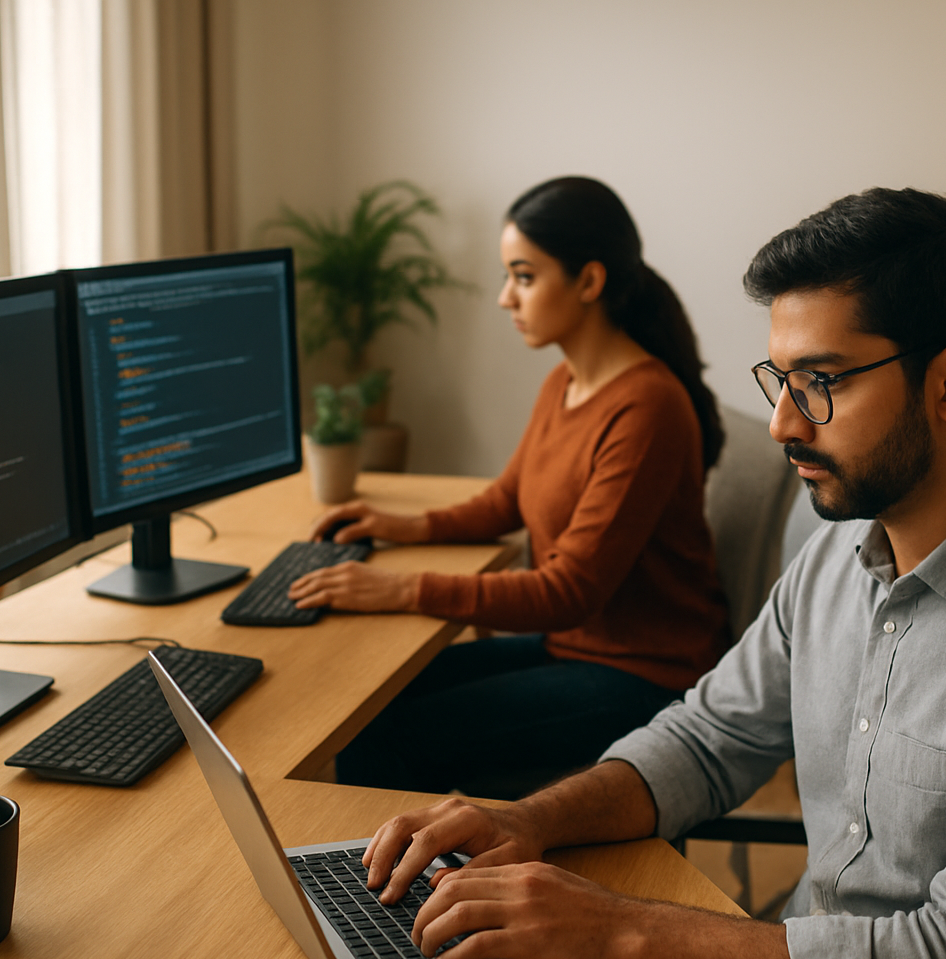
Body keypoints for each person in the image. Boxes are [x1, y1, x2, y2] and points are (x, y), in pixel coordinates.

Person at [355, 188, 946, 959]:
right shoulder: (838, 554)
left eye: (822, 382)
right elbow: (708, 737)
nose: (783, 423)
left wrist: (619, 930)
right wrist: (529, 819)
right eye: (781, 381)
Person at [290, 176, 732, 798]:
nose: (505, 298)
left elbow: (567, 591)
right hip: (576, 646)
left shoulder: (646, 407)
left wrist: (397, 588)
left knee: (393, 735)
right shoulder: (565, 382)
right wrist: (402, 525)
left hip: (646, 674)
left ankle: (402, 889)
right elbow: (507, 499)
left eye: (523, 276)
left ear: (589, 282)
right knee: (372, 700)